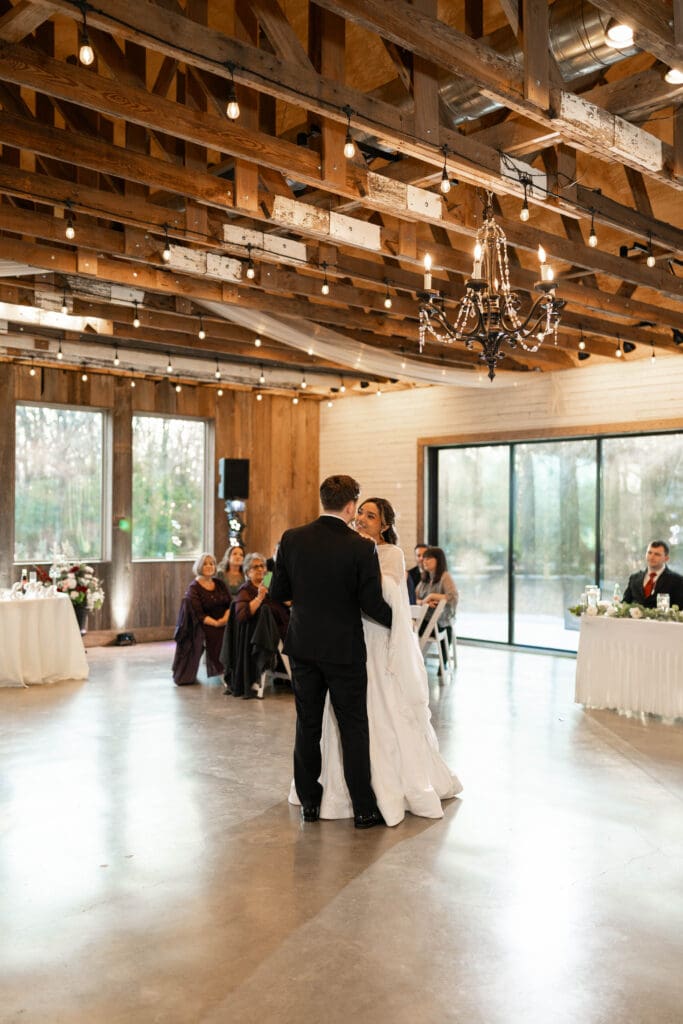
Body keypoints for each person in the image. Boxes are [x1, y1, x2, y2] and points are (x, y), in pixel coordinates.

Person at [288, 497, 461, 825]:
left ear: (384, 525)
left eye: (371, 515)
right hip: (345, 638)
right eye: (361, 513)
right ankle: (339, 789)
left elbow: (388, 595)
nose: (363, 519)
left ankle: (381, 788)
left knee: (376, 708)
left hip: (376, 636)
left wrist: (362, 570)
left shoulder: (390, 553)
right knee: (339, 716)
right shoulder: (347, 547)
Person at [270, 475, 392, 829]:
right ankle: (364, 809)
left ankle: (309, 804)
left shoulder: (292, 538)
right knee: (353, 727)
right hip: (344, 649)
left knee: (307, 725)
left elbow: (278, 593)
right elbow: (371, 603)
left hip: (303, 646)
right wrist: (398, 622)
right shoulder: (361, 548)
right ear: (351, 506)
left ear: (323, 500)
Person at [222, 552, 289, 698]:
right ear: (247, 572)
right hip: (262, 634)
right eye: (255, 567)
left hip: (282, 625)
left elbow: (286, 602)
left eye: (262, 566)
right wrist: (259, 597)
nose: (260, 569)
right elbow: (242, 615)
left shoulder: (269, 581)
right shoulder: (245, 590)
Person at [172, 553, 231, 685]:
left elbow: (229, 604)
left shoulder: (220, 583)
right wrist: (216, 623)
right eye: (205, 564)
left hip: (224, 620)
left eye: (212, 563)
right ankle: (225, 671)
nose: (209, 566)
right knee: (217, 635)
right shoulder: (194, 588)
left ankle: (237, 669)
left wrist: (224, 619)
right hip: (203, 624)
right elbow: (199, 614)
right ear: (199, 566)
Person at [416, 546, 459, 663]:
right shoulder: (425, 578)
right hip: (425, 620)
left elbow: (453, 596)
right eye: (424, 558)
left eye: (429, 558)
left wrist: (431, 596)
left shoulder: (445, 576)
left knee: (411, 630)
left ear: (438, 560)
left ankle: (417, 662)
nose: (424, 561)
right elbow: (414, 598)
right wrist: (423, 602)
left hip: (439, 622)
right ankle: (416, 661)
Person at [622, 540, 683, 609]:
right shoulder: (634, 578)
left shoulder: (677, 580)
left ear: (666, 558)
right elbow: (624, 604)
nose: (651, 557)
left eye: (657, 554)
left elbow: (680, 609)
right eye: (649, 553)